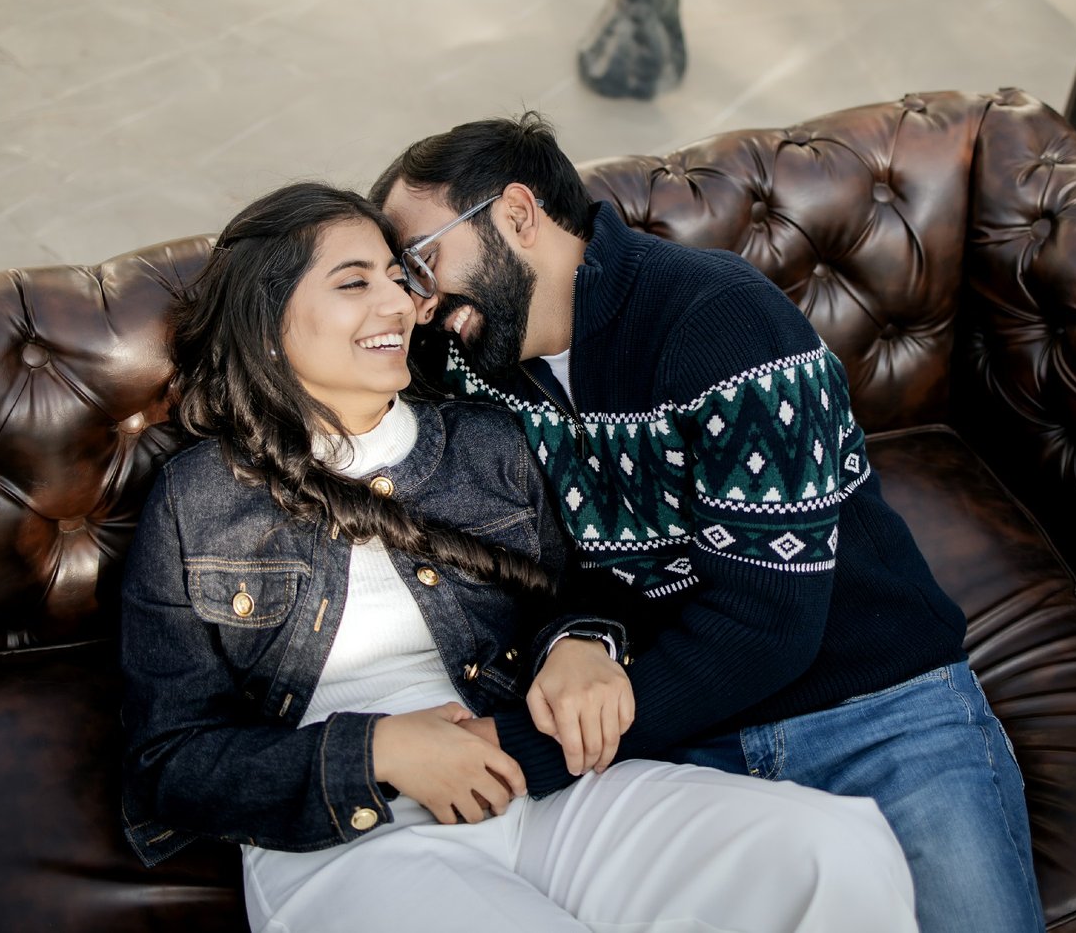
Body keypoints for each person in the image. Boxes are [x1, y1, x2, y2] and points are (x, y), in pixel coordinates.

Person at [118, 183, 918, 933]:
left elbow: (587, 584)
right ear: (266, 321)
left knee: (829, 852)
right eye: (355, 283)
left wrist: (582, 642)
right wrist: (380, 749)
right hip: (357, 837)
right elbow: (170, 760)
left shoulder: (489, 443)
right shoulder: (199, 503)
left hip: (541, 779)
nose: (401, 301)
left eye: (399, 277)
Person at [372, 116, 1046, 933]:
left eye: (422, 261)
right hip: (691, 743)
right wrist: (578, 633)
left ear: (517, 214)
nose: (421, 299)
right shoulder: (478, 364)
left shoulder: (722, 323)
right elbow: (540, 551)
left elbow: (767, 624)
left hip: (878, 713)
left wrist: (513, 751)